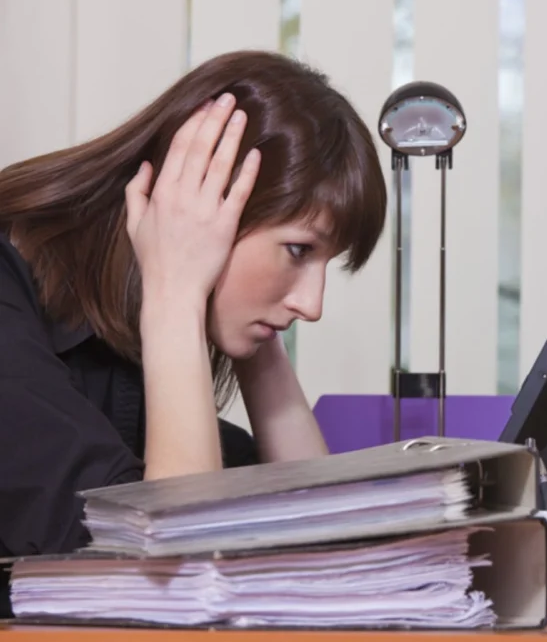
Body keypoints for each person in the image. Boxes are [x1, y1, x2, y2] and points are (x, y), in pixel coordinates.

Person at [0, 50, 387, 570]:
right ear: (202, 204)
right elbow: (167, 570)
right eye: (298, 251)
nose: (311, 306)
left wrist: (259, 350)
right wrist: (177, 289)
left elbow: (333, 551)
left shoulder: (136, 352)